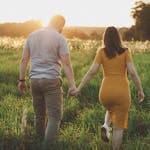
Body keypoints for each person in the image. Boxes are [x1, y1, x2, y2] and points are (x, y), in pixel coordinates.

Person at [70, 26, 144, 150]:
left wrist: (79, 88)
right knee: (118, 128)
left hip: (105, 92)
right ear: (118, 37)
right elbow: (132, 72)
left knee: (111, 108)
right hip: (121, 92)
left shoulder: (101, 52)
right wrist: (140, 89)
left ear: (105, 38)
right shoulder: (125, 51)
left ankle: (105, 125)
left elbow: (92, 71)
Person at [18, 15, 76, 149]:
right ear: (61, 25)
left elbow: (24, 60)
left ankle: (39, 143)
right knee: (54, 117)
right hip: (51, 80)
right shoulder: (60, 38)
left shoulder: (32, 35)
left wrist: (21, 80)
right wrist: (72, 85)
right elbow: (66, 64)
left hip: (34, 80)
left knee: (39, 115)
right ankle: (47, 147)